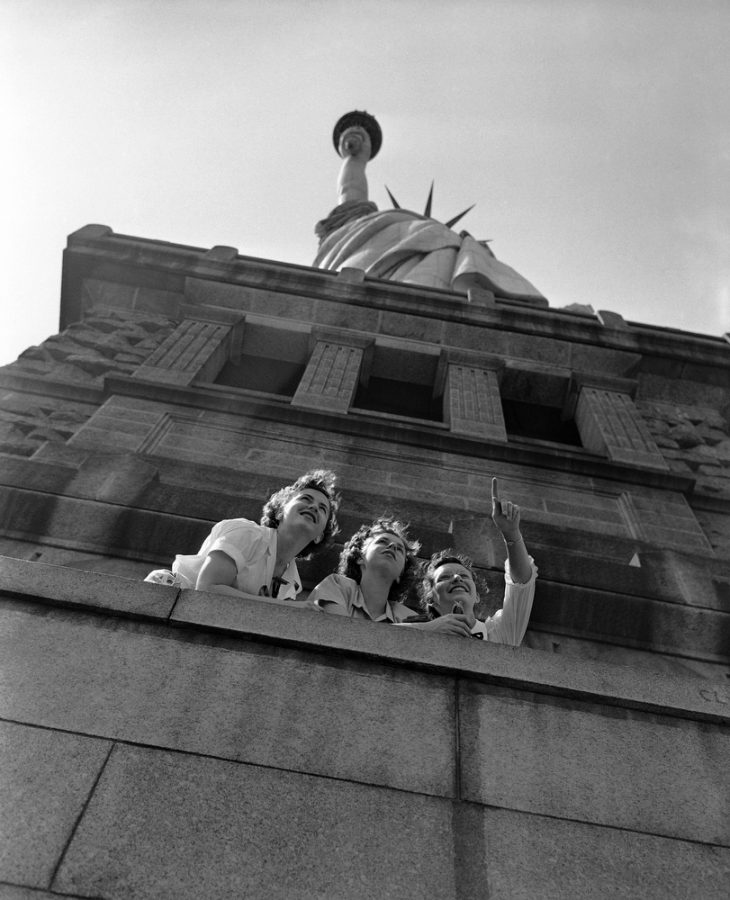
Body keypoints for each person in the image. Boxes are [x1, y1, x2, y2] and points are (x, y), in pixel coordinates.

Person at [314, 111, 545, 302]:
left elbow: (350, 194)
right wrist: (355, 159)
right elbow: (350, 192)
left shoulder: (448, 246)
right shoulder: (360, 230)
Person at [144, 469, 340, 602]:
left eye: (322, 509)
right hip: (170, 597)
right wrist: (286, 608)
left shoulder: (292, 583)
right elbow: (207, 589)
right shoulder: (247, 533)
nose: (314, 506)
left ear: (319, 536)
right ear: (280, 511)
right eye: (305, 499)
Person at [403, 478, 537, 644]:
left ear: (477, 597)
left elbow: (522, 584)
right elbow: (372, 633)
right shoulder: (417, 635)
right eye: (444, 578)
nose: (457, 578)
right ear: (430, 598)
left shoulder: (499, 634)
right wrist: (429, 629)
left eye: (464, 576)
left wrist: (511, 533)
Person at [308, 516, 420, 623]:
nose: (392, 546)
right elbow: (339, 632)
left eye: (400, 549)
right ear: (360, 557)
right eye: (382, 541)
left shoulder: (407, 616)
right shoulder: (336, 585)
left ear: (401, 573)